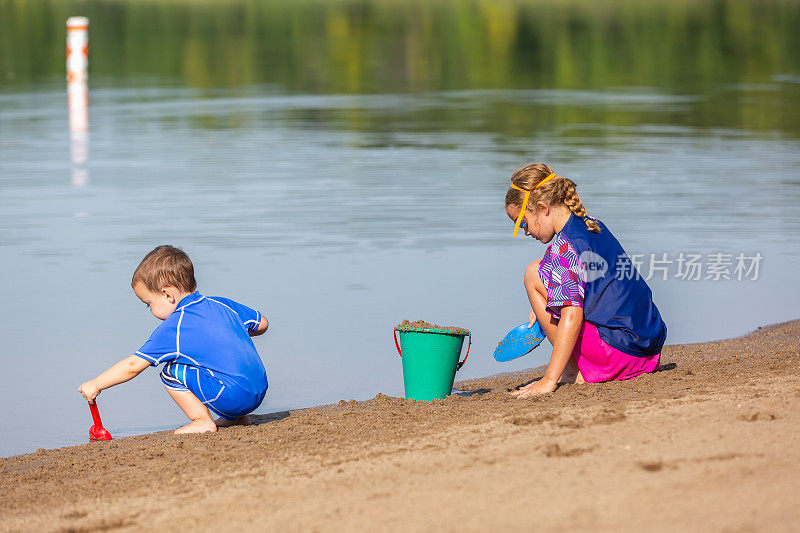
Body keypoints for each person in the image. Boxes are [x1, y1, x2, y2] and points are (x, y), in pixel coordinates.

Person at [504, 163, 667, 398]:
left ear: (542, 207)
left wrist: (549, 379)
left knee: (531, 274)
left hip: (619, 356)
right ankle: (576, 367)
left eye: (523, 223)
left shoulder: (565, 248)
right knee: (538, 271)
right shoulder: (590, 223)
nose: (526, 232)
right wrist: (544, 300)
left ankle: (571, 372)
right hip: (648, 351)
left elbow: (572, 316)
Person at [78, 245, 269, 433]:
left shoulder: (176, 327)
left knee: (171, 370)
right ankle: (237, 418)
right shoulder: (221, 303)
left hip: (233, 397)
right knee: (214, 365)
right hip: (259, 390)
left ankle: (202, 421)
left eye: (148, 304)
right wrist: (230, 334)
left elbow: (133, 366)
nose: (150, 310)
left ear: (167, 295)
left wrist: (96, 384)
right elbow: (262, 324)